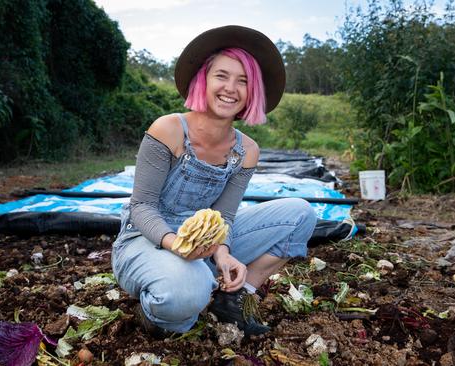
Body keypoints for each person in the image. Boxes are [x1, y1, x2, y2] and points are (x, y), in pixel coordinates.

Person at [111, 25, 317, 337]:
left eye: (243, 81)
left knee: (301, 213)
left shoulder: (246, 151)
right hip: (147, 239)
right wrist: (177, 245)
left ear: (252, 92)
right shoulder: (168, 130)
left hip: (204, 243)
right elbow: (141, 208)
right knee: (186, 296)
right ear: (203, 80)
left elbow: (225, 217)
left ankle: (234, 298)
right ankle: (155, 311)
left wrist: (222, 253)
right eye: (222, 76)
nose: (231, 88)